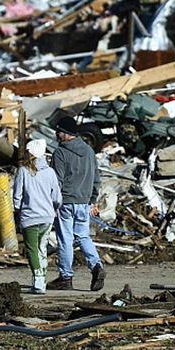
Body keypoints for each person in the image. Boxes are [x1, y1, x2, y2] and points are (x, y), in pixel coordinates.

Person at [47, 116, 105, 291]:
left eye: (58, 131)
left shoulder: (60, 153)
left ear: (66, 133)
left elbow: (57, 181)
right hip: (83, 202)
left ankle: (66, 277)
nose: (56, 134)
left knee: (65, 240)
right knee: (83, 236)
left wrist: (53, 203)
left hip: (65, 202)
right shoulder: (89, 151)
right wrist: (93, 201)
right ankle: (96, 265)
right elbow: (96, 178)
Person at [12, 139, 61, 294]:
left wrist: (18, 208)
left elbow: (17, 196)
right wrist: (53, 208)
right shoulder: (50, 172)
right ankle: (41, 281)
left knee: (32, 249)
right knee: (42, 249)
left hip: (29, 217)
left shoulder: (23, 171)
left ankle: (39, 281)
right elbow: (57, 198)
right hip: (47, 217)